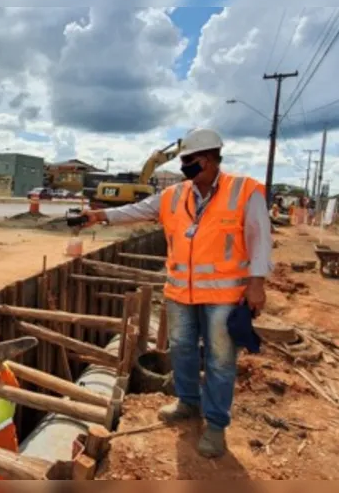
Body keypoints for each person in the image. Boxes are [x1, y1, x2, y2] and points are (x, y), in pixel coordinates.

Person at [78, 128, 273, 458]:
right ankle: (187, 401)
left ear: (210, 160)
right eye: (183, 160)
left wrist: (257, 284)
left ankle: (215, 424)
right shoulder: (174, 195)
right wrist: (100, 215)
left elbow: (260, 238)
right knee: (181, 348)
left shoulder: (244, 190)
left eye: (190, 161)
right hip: (181, 291)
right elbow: (137, 210)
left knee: (220, 359)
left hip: (224, 295)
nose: (185, 167)